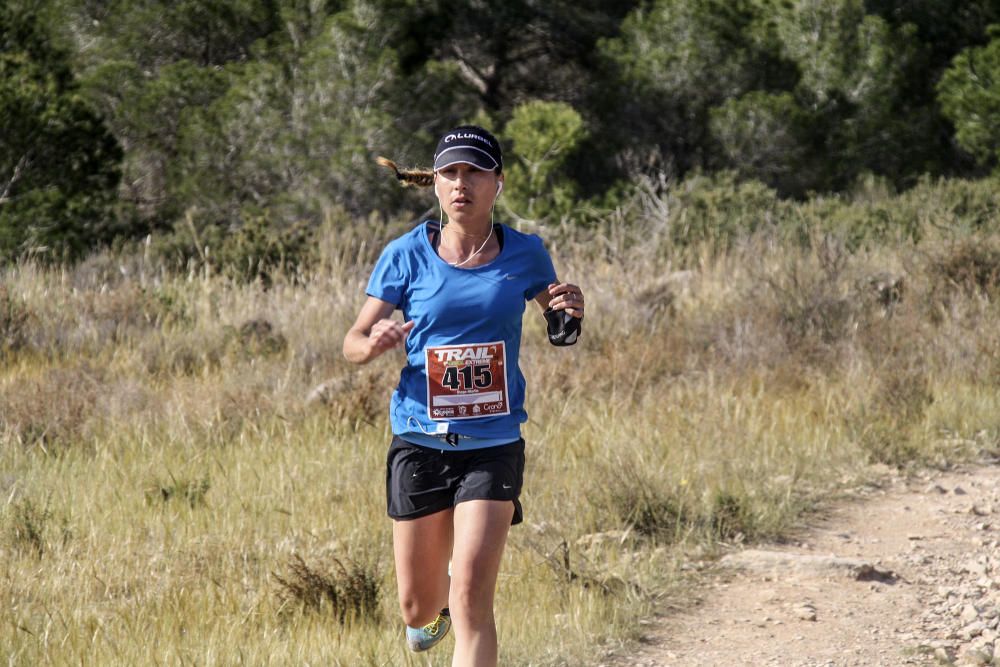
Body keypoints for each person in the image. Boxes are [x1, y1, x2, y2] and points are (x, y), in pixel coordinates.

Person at [343, 125, 585, 667]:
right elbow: (352, 344)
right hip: (420, 441)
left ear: (497, 182)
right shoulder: (405, 255)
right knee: (417, 607)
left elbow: (560, 324)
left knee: (473, 595)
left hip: (492, 441)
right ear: (434, 183)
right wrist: (376, 342)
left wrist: (570, 311)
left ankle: (457, 590)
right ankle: (433, 607)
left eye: (475, 171)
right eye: (450, 172)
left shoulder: (525, 253)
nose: (462, 183)